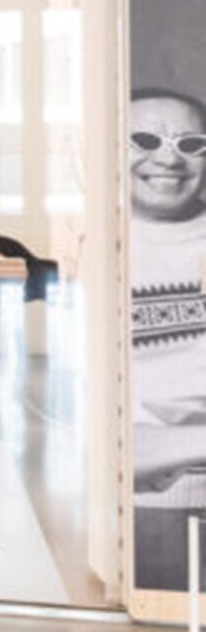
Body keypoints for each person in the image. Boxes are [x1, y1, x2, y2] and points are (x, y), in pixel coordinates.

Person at [128, 89, 206, 584]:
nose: (169, 158)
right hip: (138, 511)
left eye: (191, 144)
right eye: (145, 139)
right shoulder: (87, 246)